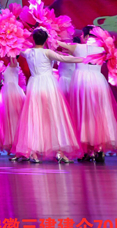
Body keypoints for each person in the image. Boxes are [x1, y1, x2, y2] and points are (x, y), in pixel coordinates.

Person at [60, 26, 117, 162]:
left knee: (84, 115)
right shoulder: (103, 50)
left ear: (85, 36)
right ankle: (99, 149)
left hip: (81, 82)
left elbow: (57, 44)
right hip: (98, 82)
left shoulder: (77, 48)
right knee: (100, 114)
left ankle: (89, 150)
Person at [12, 28, 83, 163]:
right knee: (54, 116)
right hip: (48, 85)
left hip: (34, 85)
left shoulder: (27, 52)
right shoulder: (47, 52)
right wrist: (83, 59)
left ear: (33, 39)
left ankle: (33, 152)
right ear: (46, 40)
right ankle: (59, 152)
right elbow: (64, 58)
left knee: (35, 117)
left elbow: (15, 47)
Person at [0, 58, 26, 161]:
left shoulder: (14, 63)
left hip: (13, 93)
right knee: (10, 123)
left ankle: (20, 150)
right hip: (7, 94)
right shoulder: (9, 64)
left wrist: (11, 51)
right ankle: (17, 150)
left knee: (15, 122)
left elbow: (13, 57)